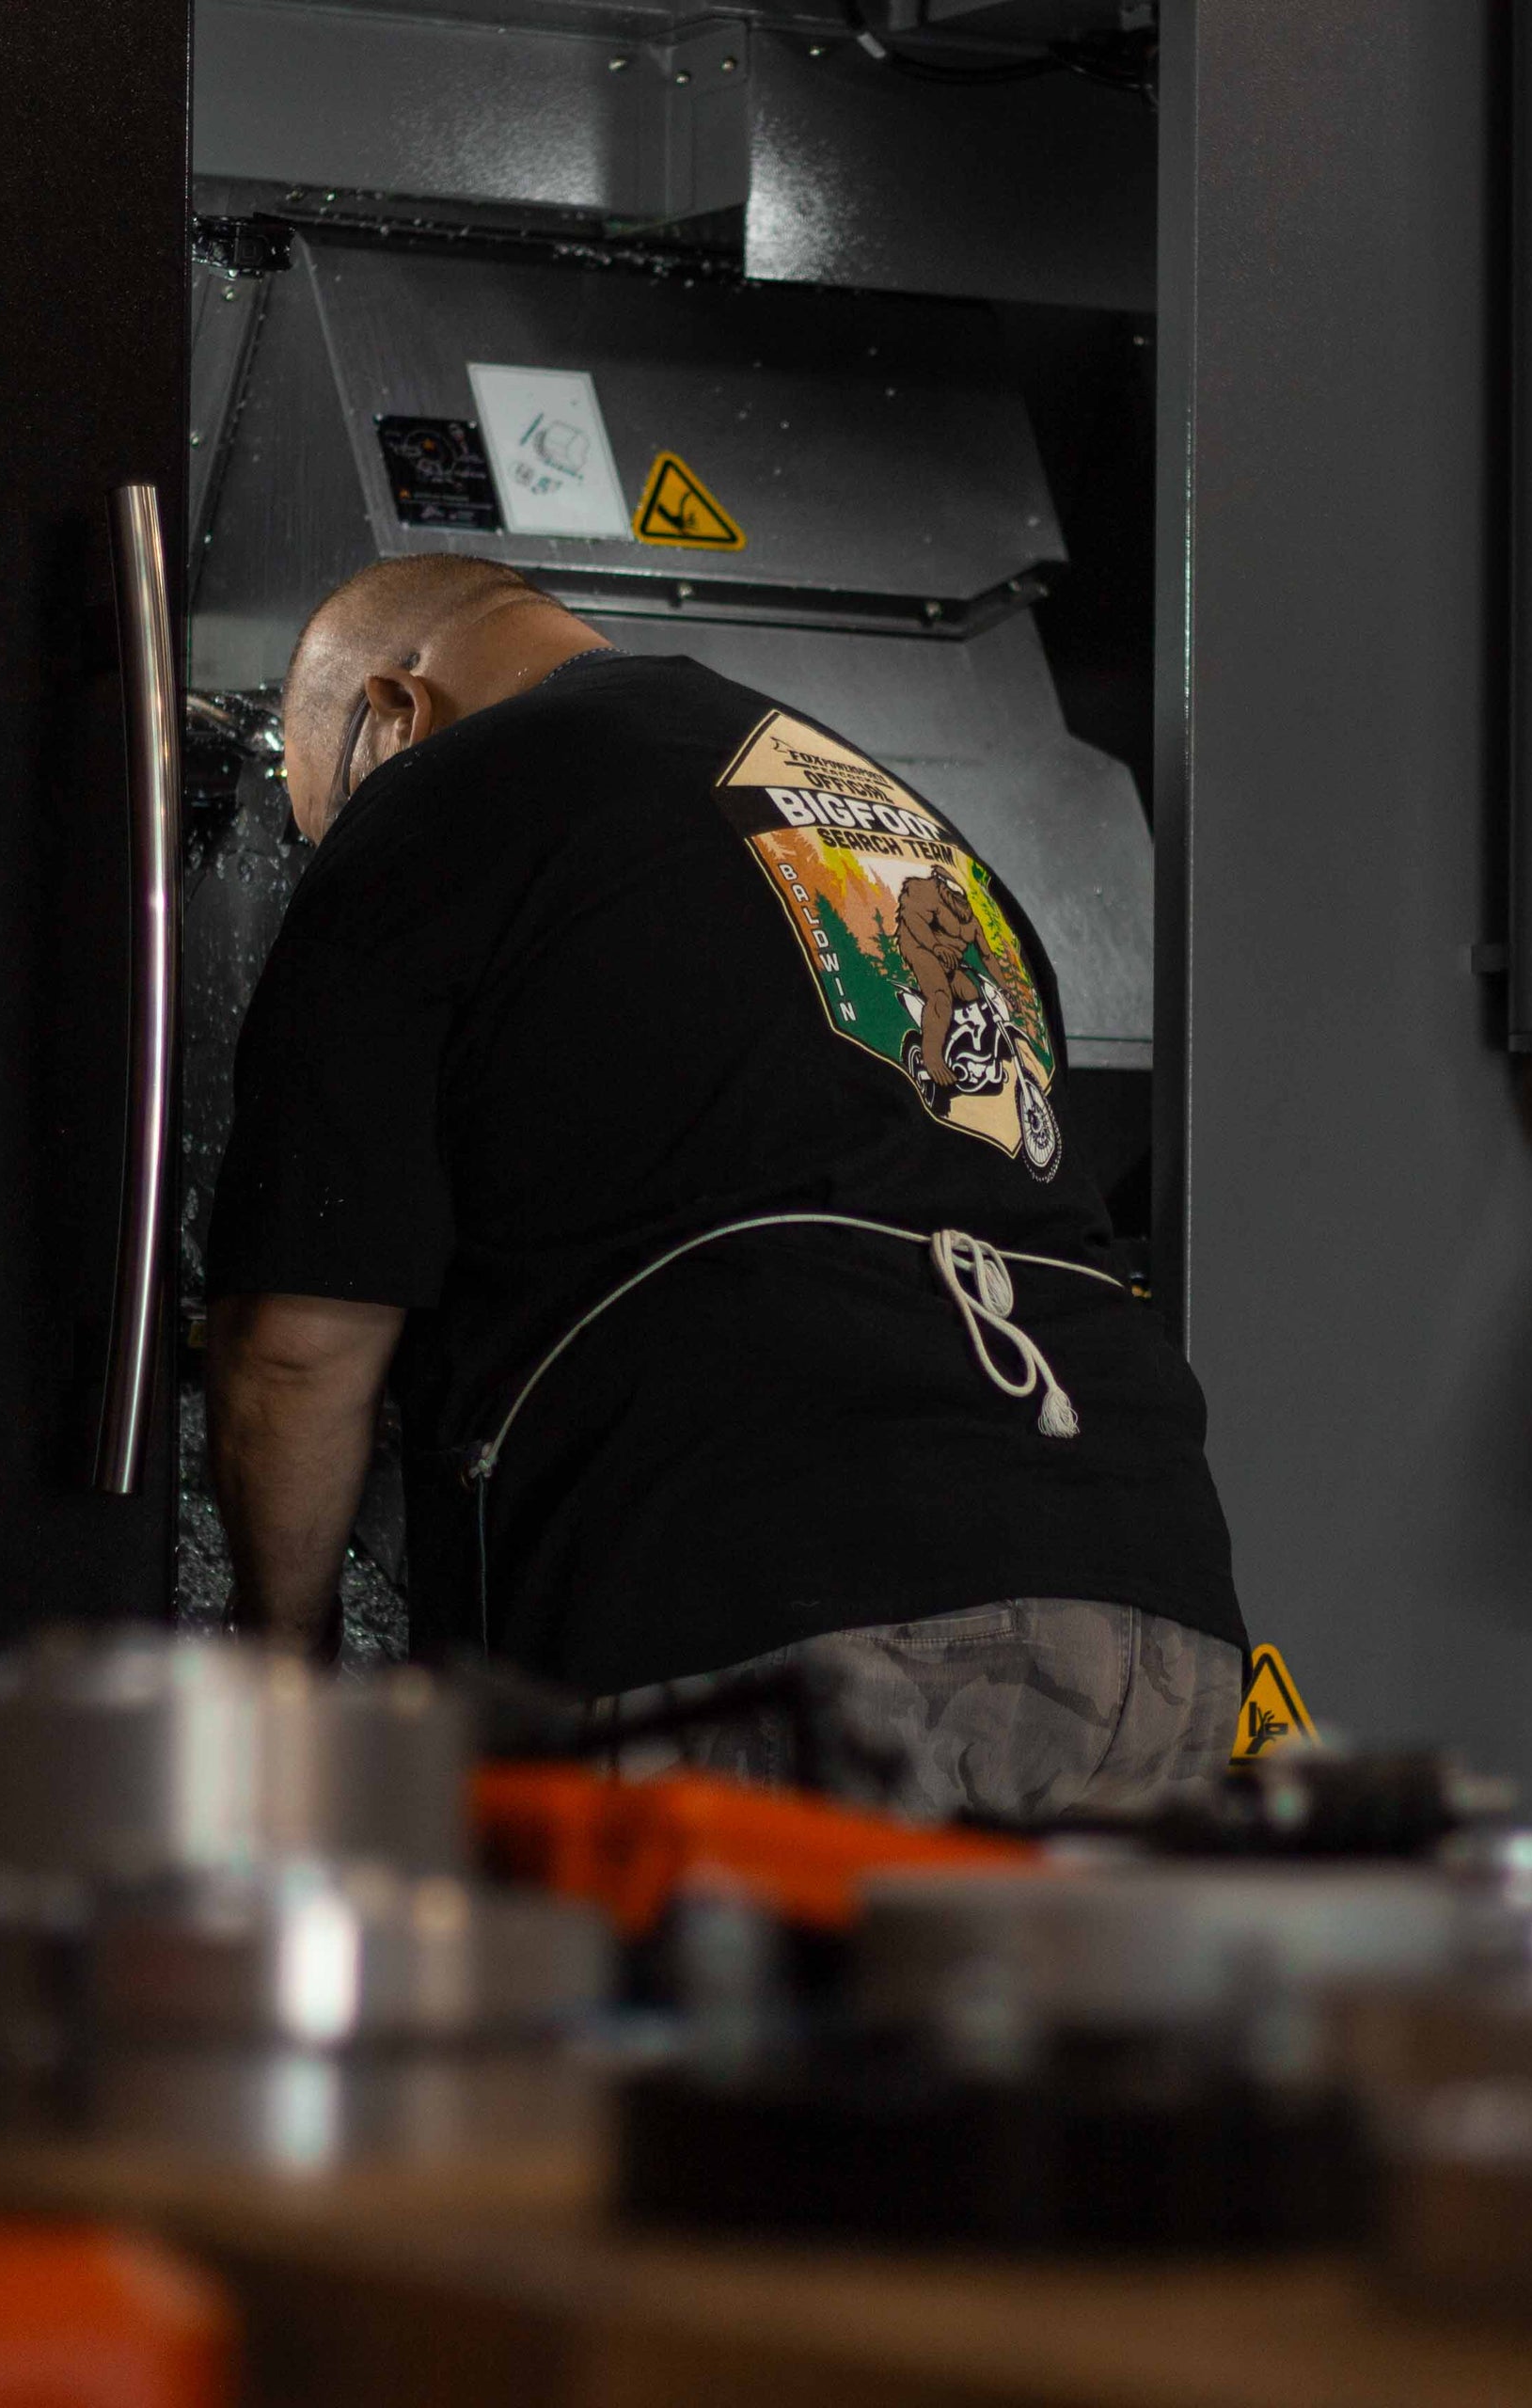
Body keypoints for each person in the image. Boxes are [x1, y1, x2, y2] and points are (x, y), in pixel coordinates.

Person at [204, 554, 1244, 1821]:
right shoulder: (877, 814)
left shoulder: (440, 793)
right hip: (1146, 1599)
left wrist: (284, 1710)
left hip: (777, 1616)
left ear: (392, 714)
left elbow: (298, 1354)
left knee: (695, 2019)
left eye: (329, 814)